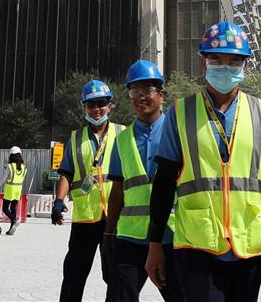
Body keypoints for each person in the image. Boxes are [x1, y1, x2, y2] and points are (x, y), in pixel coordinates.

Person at [145, 21, 261, 301]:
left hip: (249, 245)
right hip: (197, 244)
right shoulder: (181, 113)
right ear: (203, 63)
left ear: (245, 65)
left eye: (234, 61)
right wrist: (154, 244)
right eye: (216, 59)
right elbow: (164, 183)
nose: (225, 67)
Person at [105, 60, 183, 302]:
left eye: (147, 90)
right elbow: (117, 192)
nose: (140, 96)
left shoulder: (179, 133)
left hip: (172, 235)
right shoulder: (122, 140)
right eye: (134, 91)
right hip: (130, 238)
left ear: (161, 95)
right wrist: (108, 235)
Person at [52, 79, 125, 302]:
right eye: (91, 104)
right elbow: (66, 172)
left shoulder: (123, 134)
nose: (96, 109)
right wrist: (59, 200)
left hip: (116, 217)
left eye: (101, 103)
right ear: (84, 107)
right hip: (85, 219)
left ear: (110, 105)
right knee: (74, 274)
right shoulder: (75, 138)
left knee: (116, 275)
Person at [0, 146, 28, 235]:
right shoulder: (24, 167)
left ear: (11, 156)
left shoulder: (10, 166)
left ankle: (14, 219)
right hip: (18, 190)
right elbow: (22, 178)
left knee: (5, 208)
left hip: (10, 190)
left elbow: (4, 178)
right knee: (13, 208)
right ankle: (12, 227)